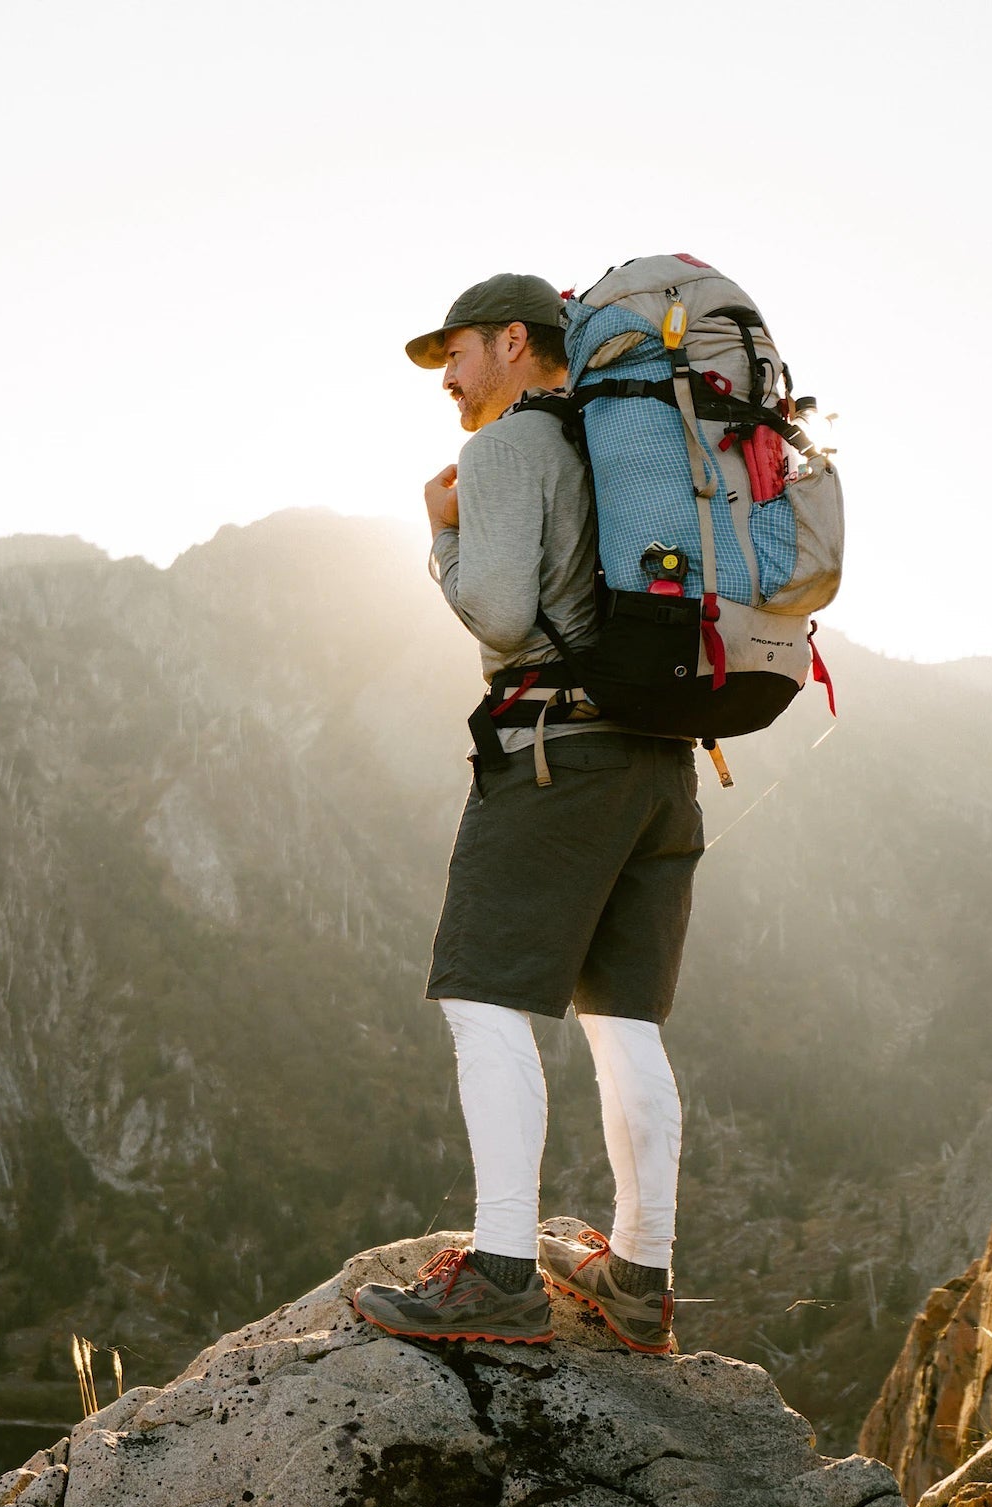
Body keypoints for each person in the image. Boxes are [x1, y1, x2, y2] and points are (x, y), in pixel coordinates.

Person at [349, 272, 703, 1355]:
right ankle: (638, 1271)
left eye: (454, 352)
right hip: (659, 763)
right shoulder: (627, 448)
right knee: (623, 1017)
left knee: (484, 997)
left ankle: (502, 1269)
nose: (446, 379)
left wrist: (439, 534)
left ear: (513, 340)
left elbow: (501, 616)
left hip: (556, 757)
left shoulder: (505, 448)